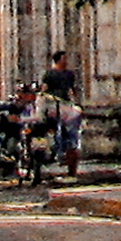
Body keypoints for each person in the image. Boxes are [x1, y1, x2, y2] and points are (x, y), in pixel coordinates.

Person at [40, 49, 84, 177]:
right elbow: (44, 90)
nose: (66, 62)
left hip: (66, 107)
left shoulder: (69, 74)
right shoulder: (50, 74)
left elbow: (71, 90)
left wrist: (75, 103)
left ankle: (70, 168)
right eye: (64, 59)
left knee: (71, 136)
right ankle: (57, 153)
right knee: (58, 132)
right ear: (58, 60)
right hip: (54, 106)